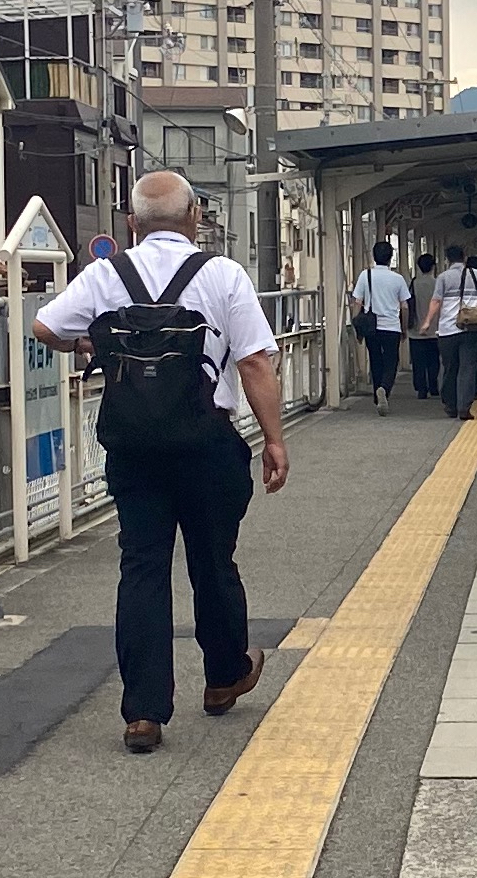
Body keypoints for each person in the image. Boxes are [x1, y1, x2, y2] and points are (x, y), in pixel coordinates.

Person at [31, 171, 289, 754]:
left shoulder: (105, 275)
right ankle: (224, 677)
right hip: (207, 442)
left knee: (142, 567)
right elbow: (253, 363)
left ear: (131, 223)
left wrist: (89, 342)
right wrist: (274, 440)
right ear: (195, 216)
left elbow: (44, 324)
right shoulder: (222, 274)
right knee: (212, 559)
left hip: (134, 446)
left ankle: (143, 713)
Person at [427, 244, 477, 421]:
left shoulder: (442, 277)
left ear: (447, 259)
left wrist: (427, 322)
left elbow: (436, 301)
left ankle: (450, 405)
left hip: (448, 329)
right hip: (472, 327)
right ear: (464, 257)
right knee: (468, 368)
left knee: (449, 368)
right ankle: (465, 407)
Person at [351, 240, 411, 415]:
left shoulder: (365, 275)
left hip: (371, 327)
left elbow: (357, 303)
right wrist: (404, 328)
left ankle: (378, 396)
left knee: (376, 360)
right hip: (392, 327)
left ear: (374, 256)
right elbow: (405, 307)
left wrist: (358, 327)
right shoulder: (398, 279)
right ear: (391, 258)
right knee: (391, 361)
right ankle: (384, 388)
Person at [409, 252, 440, 399]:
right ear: (433, 266)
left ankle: (421, 389)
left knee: (418, 362)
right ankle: (433, 386)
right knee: (434, 360)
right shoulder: (438, 283)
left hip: (416, 330)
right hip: (435, 329)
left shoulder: (414, 283)